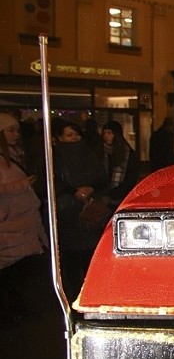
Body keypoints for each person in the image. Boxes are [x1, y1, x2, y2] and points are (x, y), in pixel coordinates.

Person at [51, 118, 109, 300]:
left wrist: (90, 188)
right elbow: (54, 180)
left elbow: (101, 176)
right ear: (60, 137)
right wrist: (73, 191)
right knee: (70, 255)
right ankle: (74, 293)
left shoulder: (88, 154)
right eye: (69, 135)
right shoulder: (55, 156)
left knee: (89, 252)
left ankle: (90, 290)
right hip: (67, 210)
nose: (74, 138)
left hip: (89, 209)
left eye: (76, 134)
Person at [0, 118, 46, 321]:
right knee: (10, 272)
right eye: (10, 130)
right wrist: (22, 185)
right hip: (9, 223)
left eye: (17, 130)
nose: (15, 135)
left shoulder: (14, 155)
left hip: (21, 222)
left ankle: (16, 309)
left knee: (19, 271)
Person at [97, 120, 140, 211]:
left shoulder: (128, 154)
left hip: (120, 197)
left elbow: (130, 179)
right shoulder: (100, 152)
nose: (106, 136)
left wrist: (113, 194)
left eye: (110, 133)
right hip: (103, 197)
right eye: (104, 133)